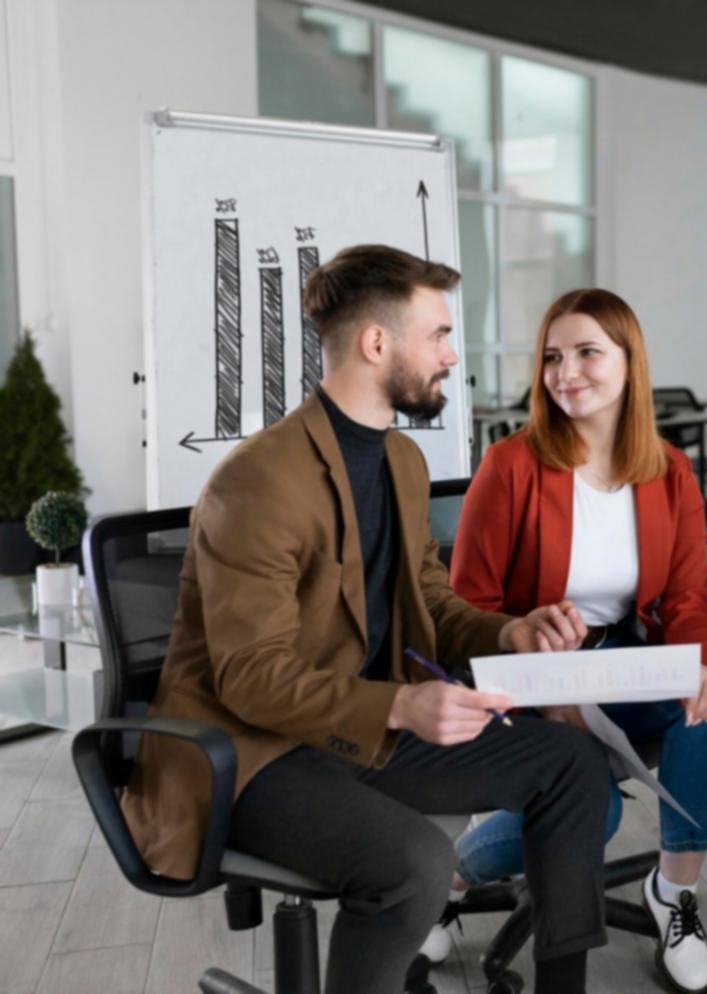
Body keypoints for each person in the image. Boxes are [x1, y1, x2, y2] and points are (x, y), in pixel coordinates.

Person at [121, 245, 612, 994]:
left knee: (571, 765)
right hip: (251, 752)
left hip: (363, 729)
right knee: (416, 863)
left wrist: (509, 631)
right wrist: (404, 704)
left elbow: (432, 606)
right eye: (439, 335)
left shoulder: (402, 465)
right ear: (377, 344)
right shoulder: (257, 482)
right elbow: (251, 677)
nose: (452, 356)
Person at [444, 288, 707, 994]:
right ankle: (449, 876)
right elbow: (465, 607)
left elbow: (687, 594)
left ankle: (674, 893)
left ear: (629, 362)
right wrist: (545, 689)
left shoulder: (668, 469)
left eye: (586, 353)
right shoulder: (512, 465)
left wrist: (696, 666)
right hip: (528, 670)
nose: (565, 371)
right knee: (594, 810)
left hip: (623, 661)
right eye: (552, 356)